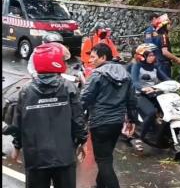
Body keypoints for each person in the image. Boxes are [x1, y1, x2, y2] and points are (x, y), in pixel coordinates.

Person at [11, 43, 87, 188]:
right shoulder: (68, 88)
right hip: (64, 157)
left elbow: (18, 124)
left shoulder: (25, 91)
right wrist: (83, 141)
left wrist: (17, 146)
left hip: (35, 158)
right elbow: (78, 120)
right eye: (63, 60)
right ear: (56, 62)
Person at [81, 43, 137, 188]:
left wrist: (78, 118)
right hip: (117, 123)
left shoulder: (97, 74)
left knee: (103, 160)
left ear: (103, 57)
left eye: (93, 57)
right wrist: (132, 119)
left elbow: (84, 98)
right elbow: (132, 99)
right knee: (106, 156)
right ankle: (99, 185)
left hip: (100, 122)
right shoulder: (125, 74)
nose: (90, 60)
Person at [129, 43, 170, 150]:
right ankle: (141, 138)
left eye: (153, 55)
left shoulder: (155, 67)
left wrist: (176, 84)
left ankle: (163, 135)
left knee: (169, 111)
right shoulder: (136, 66)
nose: (152, 57)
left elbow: (165, 78)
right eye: (150, 55)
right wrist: (142, 88)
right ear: (143, 56)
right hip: (139, 95)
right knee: (151, 113)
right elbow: (135, 82)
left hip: (154, 94)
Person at [148, 14, 180, 78]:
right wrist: (177, 59)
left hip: (157, 63)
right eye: (169, 24)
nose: (170, 26)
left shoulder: (157, 35)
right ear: (165, 25)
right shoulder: (163, 36)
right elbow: (165, 52)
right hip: (163, 64)